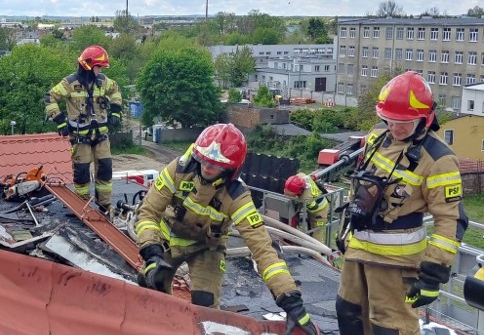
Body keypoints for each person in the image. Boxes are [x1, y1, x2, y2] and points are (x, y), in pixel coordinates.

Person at [134, 123, 317, 335]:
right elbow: (148, 211)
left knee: (206, 307)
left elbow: (263, 250)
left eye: (216, 164)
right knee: (151, 285)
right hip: (167, 240)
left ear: (232, 169)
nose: (206, 167)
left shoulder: (237, 196)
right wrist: (151, 253)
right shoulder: (179, 169)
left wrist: (293, 304)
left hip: (206, 249)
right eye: (204, 160)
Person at [336, 71, 467, 335]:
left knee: (390, 327)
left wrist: (433, 274)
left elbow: (450, 220)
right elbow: (362, 187)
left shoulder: (439, 159)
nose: (395, 128)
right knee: (348, 312)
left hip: (396, 262)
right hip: (359, 248)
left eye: (404, 123)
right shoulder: (378, 137)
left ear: (425, 118)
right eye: (389, 120)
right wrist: (347, 228)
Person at [45, 45, 122, 215]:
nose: (100, 70)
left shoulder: (103, 81)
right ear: (88, 65)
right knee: (81, 173)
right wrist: (59, 120)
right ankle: (82, 206)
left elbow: (116, 90)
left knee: (105, 169)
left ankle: (105, 206)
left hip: (102, 136)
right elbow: (50, 97)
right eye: (98, 66)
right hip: (81, 138)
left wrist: (116, 110)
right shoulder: (70, 83)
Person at [283, 173, 329, 243]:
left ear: (298, 191)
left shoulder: (305, 198)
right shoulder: (301, 177)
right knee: (310, 228)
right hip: (315, 201)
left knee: (317, 232)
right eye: (285, 191)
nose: (286, 195)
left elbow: (314, 208)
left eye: (289, 194)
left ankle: (317, 252)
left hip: (320, 212)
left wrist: (297, 200)